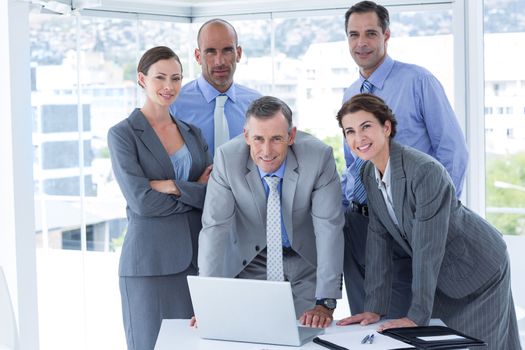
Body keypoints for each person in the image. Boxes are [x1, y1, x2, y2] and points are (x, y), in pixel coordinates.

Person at [335, 93, 521, 350]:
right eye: (350, 131)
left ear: (386, 127)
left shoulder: (423, 171)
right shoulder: (368, 172)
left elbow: (427, 247)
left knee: (484, 346)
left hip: (479, 267)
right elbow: (378, 239)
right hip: (446, 274)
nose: (359, 138)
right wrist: (375, 308)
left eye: (366, 126)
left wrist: (416, 317)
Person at [341, 0, 469, 318]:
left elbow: (452, 151)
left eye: (370, 33)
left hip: (407, 224)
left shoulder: (417, 81)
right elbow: (354, 161)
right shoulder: (350, 93)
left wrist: (435, 216)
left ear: (387, 35)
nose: (362, 42)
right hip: (358, 226)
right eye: (354, 34)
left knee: (402, 323)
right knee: (365, 322)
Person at [198, 96, 344, 328]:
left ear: (291, 136)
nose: (266, 151)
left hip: (304, 259)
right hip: (252, 259)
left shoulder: (318, 157)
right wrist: (207, 300)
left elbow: (329, 227)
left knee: (305, 335)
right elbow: (215, 227)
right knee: (251, 334)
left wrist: (325, 302)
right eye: (258, 139)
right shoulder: (227, 159)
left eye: (276, 138)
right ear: (246, 136)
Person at [108, 46, 213, 350]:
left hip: (196, 261)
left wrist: (171, 185)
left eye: (176, 78)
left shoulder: (192, 133)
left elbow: (212, 194)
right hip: (149, 265)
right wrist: (192, 188)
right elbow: (142, 201)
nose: (169, 86)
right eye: (160, 78)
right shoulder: (123, 134)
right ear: (142, 79)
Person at [169, 19, 261, 156]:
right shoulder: (174, 104)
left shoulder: (257, 104)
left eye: (227, 50)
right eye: (210, 52)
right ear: (198, 56)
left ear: (239, 53)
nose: (220, 61)